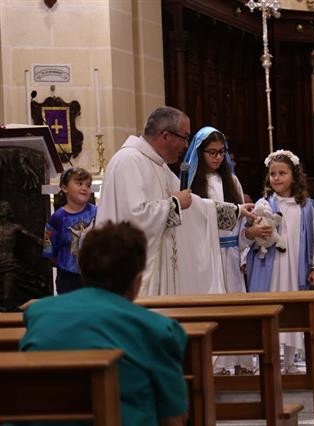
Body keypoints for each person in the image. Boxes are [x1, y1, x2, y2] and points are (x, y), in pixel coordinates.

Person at [20, 221, 189, 426]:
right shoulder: (159, 331)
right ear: (137, 282)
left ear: (83, 270)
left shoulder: (38, 314)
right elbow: (173, 418)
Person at [96, 106, 254, 296]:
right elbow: (134, 219)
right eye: (185, 137)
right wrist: (175, 204)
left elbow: (194, 204)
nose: (186, 145)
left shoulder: (159, 166)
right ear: (165, 136)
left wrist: (236, 211)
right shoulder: (129, 161)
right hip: (132, 275)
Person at [183, 125, 254, 375]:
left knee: (235, 309)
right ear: (199, 153)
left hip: (231, 253)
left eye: (221, 152)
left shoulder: (231, 180)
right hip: (206, 256)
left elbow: (241, 222)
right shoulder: (192, 183)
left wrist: (244, 249)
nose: (217, 157)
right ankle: (217, 364)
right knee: (213, 309)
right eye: (211, 152)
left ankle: (241, 361)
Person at [245, 149, 314, 374]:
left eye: (282, 173)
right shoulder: (264, 203)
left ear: (294, 176)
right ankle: (269, 359)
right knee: (269, 307)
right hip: (269, 267)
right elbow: (249, 234)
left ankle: (289, 361)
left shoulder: (305, 206)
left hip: (294, 266)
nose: (276, 178)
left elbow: (313, 238)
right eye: (273, 174)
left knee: (292, 311)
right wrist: (254, 233)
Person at [43, 167, 96, 294]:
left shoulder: (97, 212)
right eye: (79, 183)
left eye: (88, 185)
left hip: (94, 274)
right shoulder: (57, 218)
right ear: (64, 188)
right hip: (68, 278)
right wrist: (65, 265)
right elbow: (49, 249)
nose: (84, 188)